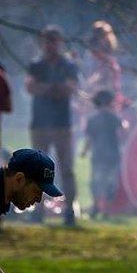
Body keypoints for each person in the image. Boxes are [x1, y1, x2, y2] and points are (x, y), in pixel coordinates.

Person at [25, 25, 81, 225]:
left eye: (54, 41)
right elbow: (30, 87)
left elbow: (71, 88)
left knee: (67, 168)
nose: (51, 45)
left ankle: (69, 211)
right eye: (48, 41)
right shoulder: (36, 65)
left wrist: (46, 88)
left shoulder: (69, 65)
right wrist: (54, 88)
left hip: (62, 124)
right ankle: (37, 210)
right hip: (40, 123)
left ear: (60, 43)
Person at [82, 90, 125, 219]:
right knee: (110, 182)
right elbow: (122, 133)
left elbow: (89, 139)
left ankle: (95, 207)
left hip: (98, 155)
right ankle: (106, 209)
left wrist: (84, 151)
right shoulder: (114, 118)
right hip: (113, 155)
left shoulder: (92, 119)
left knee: (96, 181)